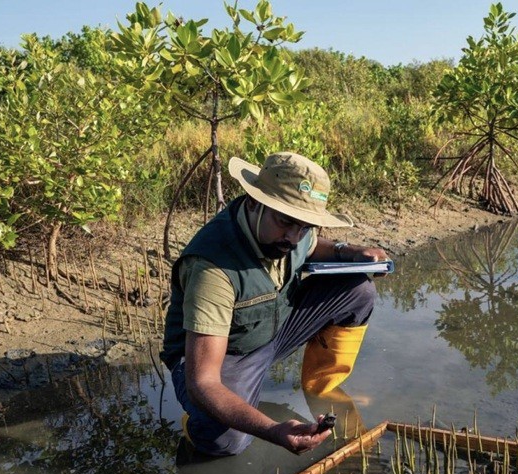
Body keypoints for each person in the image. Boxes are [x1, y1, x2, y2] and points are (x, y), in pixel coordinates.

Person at [160, 152, 388, 457]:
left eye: (305, 226)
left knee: (358, 290)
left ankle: (322, 387)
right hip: (227, 355)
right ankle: (196, 425)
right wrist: (272, 429)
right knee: (225, 440)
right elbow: (203, 382)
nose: (294, 237)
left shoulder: (290, 234)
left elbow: (309, 245)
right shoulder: (212, 269)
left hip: (275, 327)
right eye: (285, 222)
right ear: (254, 203)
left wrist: (350, 251)